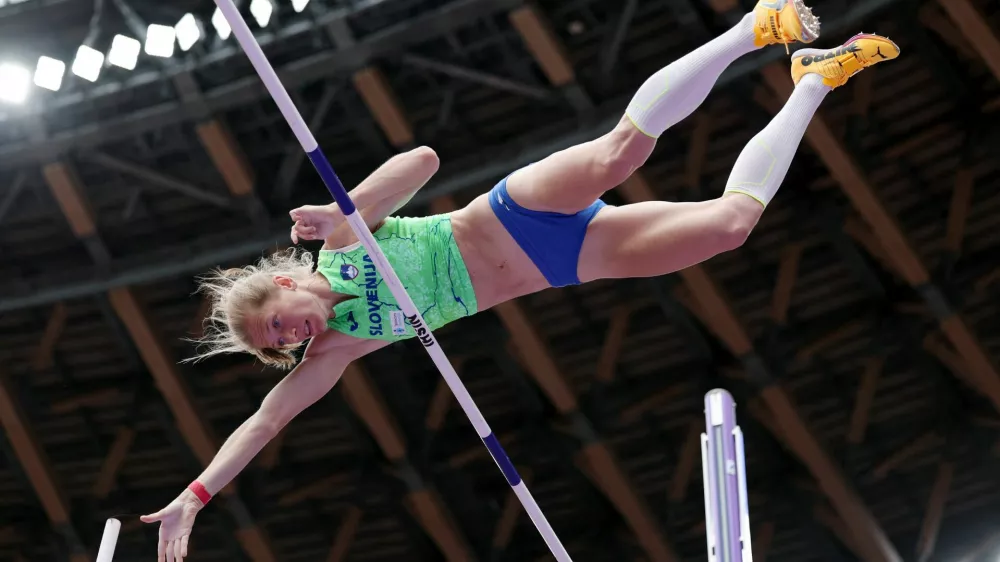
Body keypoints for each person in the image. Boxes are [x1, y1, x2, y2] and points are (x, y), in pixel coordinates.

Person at [139, 1, 898, 559]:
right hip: (562, 265)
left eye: (278, 321)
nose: (291, 336)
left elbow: (425, 161)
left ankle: (751, 30)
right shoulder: (338, 349)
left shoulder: (342, 238)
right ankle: (810, 83)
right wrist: (194, 496)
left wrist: (349, 204)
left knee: (616, 156)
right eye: (279, 343)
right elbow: (266, 422)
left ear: (283, 283)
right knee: (729, 228)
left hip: (509, 215)